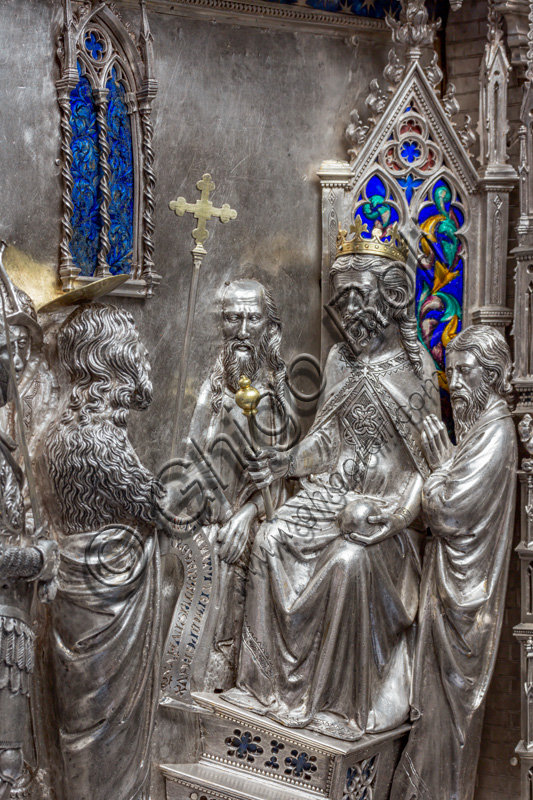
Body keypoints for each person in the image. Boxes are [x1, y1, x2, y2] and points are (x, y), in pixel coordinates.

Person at [222, 223, 440, 741]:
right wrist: (284, 464)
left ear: (391, 299)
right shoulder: (339, 361)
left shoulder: (418, 373)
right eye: (342, 302)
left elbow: (429, 472)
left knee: (347, 562)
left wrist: (393, 515)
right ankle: (262, 688)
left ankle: (340, 705)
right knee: (272, 540)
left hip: (388, 528)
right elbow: (325, 442)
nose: (351, 316)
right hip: (333, 496)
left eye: (360, 300)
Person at [45, 304, 167, 800]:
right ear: (111, 361)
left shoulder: (60, 434)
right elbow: (161, 508)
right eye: (135, 348)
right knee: (106, 729)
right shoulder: (101, 441)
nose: (144, 357)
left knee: (85, 730)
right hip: (106, 601)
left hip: (78, 593)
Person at [391, 325, 517, 800]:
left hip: (465, 606)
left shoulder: (496, 433)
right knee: (429, 707)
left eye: (464, 372)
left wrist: (439, 466)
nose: (455, 383)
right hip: (446, 591)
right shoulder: (476, 431)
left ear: (492, 374)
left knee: (447, 712)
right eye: (450, 372)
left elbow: (445, 512)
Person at [176, 279, 295, 690]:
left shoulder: (277, 396)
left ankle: (222, 682)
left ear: (269, 326)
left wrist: (249, 514)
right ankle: (187, 683)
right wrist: (217, 509)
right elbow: (192, 459)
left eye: (253, 318)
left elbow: (288, 481)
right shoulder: (211, 388)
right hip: (208, 515)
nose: (243, 330)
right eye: (233, 318)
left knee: (230, 559)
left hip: (256, 523)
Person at [0, 276, 58, 798]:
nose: (14, 363)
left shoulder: (16, 426)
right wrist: (38, 557)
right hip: (2, 620)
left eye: (21, 346)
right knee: (8, 761)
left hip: (15, 613)